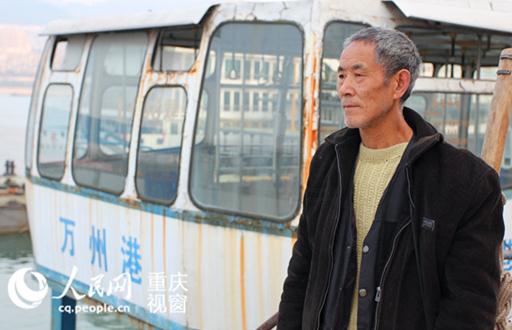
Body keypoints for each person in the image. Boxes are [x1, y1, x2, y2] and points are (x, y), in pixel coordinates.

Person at [277, 27, 505, 330]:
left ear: (399, 83)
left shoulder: (465, 181)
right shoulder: (329, 160)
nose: (345, 88)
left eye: (359, 76)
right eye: (341, 76)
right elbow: (303, 269)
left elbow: (469, 305)